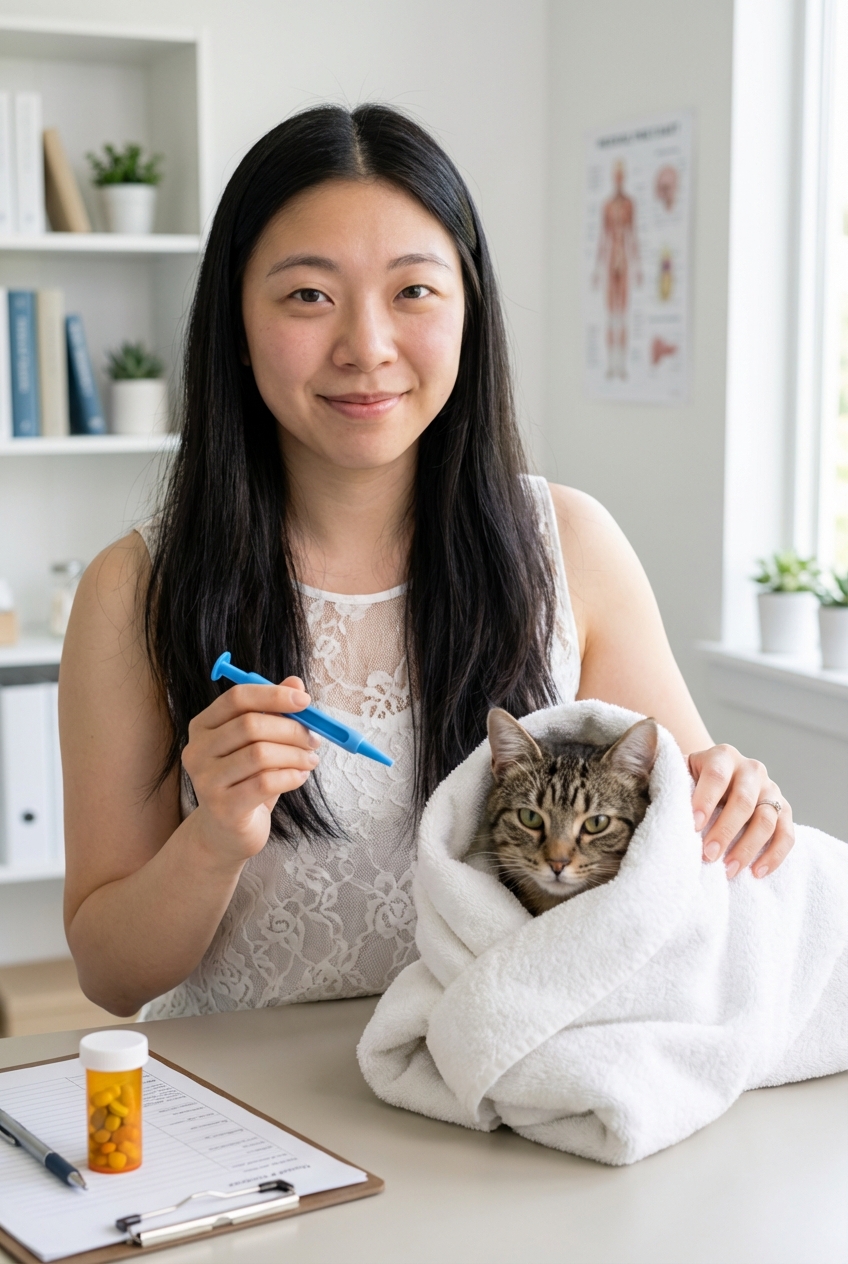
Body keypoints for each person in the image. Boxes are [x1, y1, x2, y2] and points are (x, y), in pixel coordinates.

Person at [61, 105, 794, 1020]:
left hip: (507, 1084)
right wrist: (213, 836)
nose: (367, 347)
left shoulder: (572, 547)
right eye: (308, 295)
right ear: (235, 324)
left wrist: (736, 797)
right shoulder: (135, 589)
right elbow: (111, 976)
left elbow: (682, 841)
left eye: (413, 291)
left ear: (469, 311)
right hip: (245, 1102)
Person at [593, 159, 641, 379]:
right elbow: (603, 239)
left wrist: (638, 266)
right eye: (617, 175)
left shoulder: (630, 204)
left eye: (622, 175)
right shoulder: (607, 206)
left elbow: (633, 236)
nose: (619, 179)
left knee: (623, 316)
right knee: (611, 316)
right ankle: (611, 364)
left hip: (624, 262)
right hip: (611, 261)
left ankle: (622, 365)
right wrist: (597, 268)